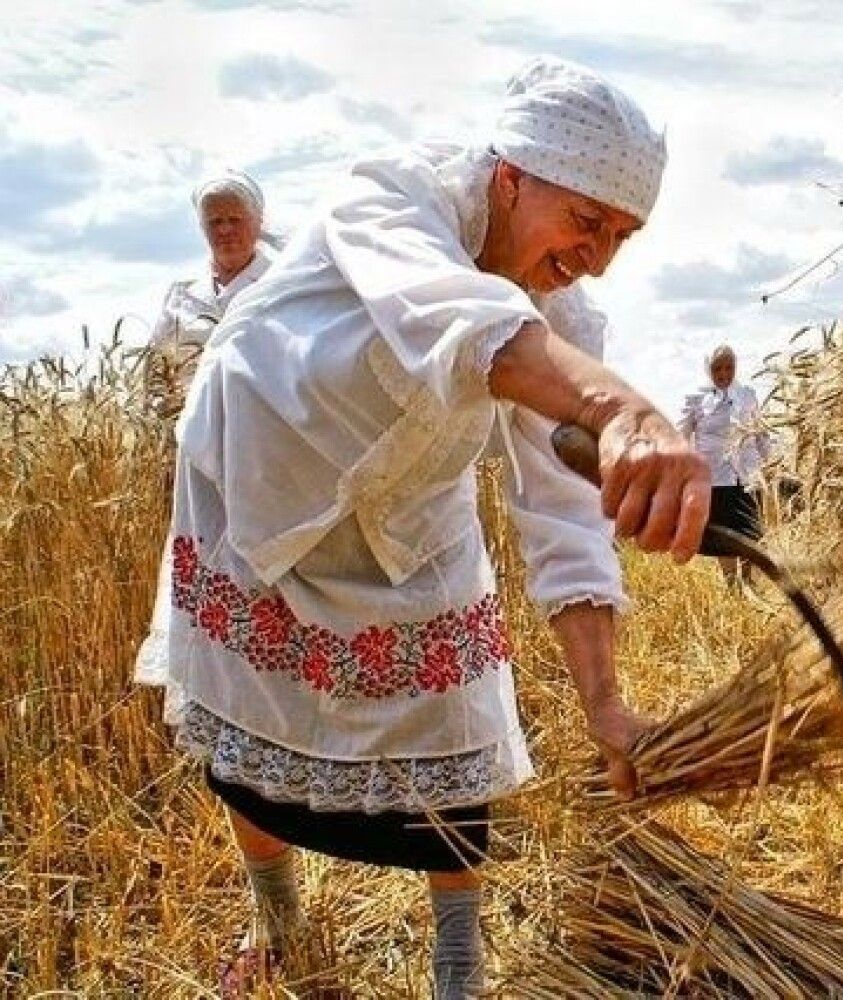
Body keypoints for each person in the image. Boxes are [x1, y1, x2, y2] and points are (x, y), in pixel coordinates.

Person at [133, 57, 710, 998]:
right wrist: (622, 411)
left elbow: (560, 505)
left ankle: (456, 964)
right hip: (260, 491)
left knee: (455, 735)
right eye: (587, 222)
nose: (599, 255)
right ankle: (276, 920)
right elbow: (454, 314)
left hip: (408, 512)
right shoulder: (392, 197)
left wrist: (605, 701)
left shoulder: (565, 320)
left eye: (623, 235)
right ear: (511, 179)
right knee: (248, 741)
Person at [143, 169, 274, 417]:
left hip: (261, 430)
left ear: (258, 223)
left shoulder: (279, 283)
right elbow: (155, 369)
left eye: (235, 220)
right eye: (214, 221)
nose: (224, 230)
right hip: (188, 430)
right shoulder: (182, 294)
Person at [678, 344, 773, 585]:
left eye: (729, 367)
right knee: (725, 532)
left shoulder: (747, 395)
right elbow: (681, 435)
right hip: (715, 477)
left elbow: (760, 433)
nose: (723, 373)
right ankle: (731, 582)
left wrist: (772, 463)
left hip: (747, 474)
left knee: (748, 529)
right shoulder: (696, 399)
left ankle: (748, 579)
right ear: (708, 370)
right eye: (717, 368)